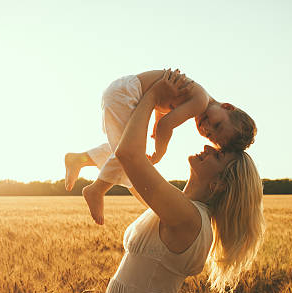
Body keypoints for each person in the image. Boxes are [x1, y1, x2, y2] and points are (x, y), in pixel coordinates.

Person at [97, 69, 265, 293]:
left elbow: (131, 155)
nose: (207, 147)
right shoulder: (179, 206)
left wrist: (152, 96)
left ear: (219, 186)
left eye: (218, 155)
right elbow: (125, 166)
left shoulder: (187, 216)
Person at [64, 69, 257, 225]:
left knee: (123, 148)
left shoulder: (198, 95)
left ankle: (79, 159)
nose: (206, 128)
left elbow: (163, 107)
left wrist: (156, 123)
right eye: (217, 125)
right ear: (228, 107)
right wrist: (160, 151)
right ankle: (97, 189)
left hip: (123, 91)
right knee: (130, 153)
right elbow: (167, 125)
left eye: (209, 135)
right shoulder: (200, 102)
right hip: (127, 95)